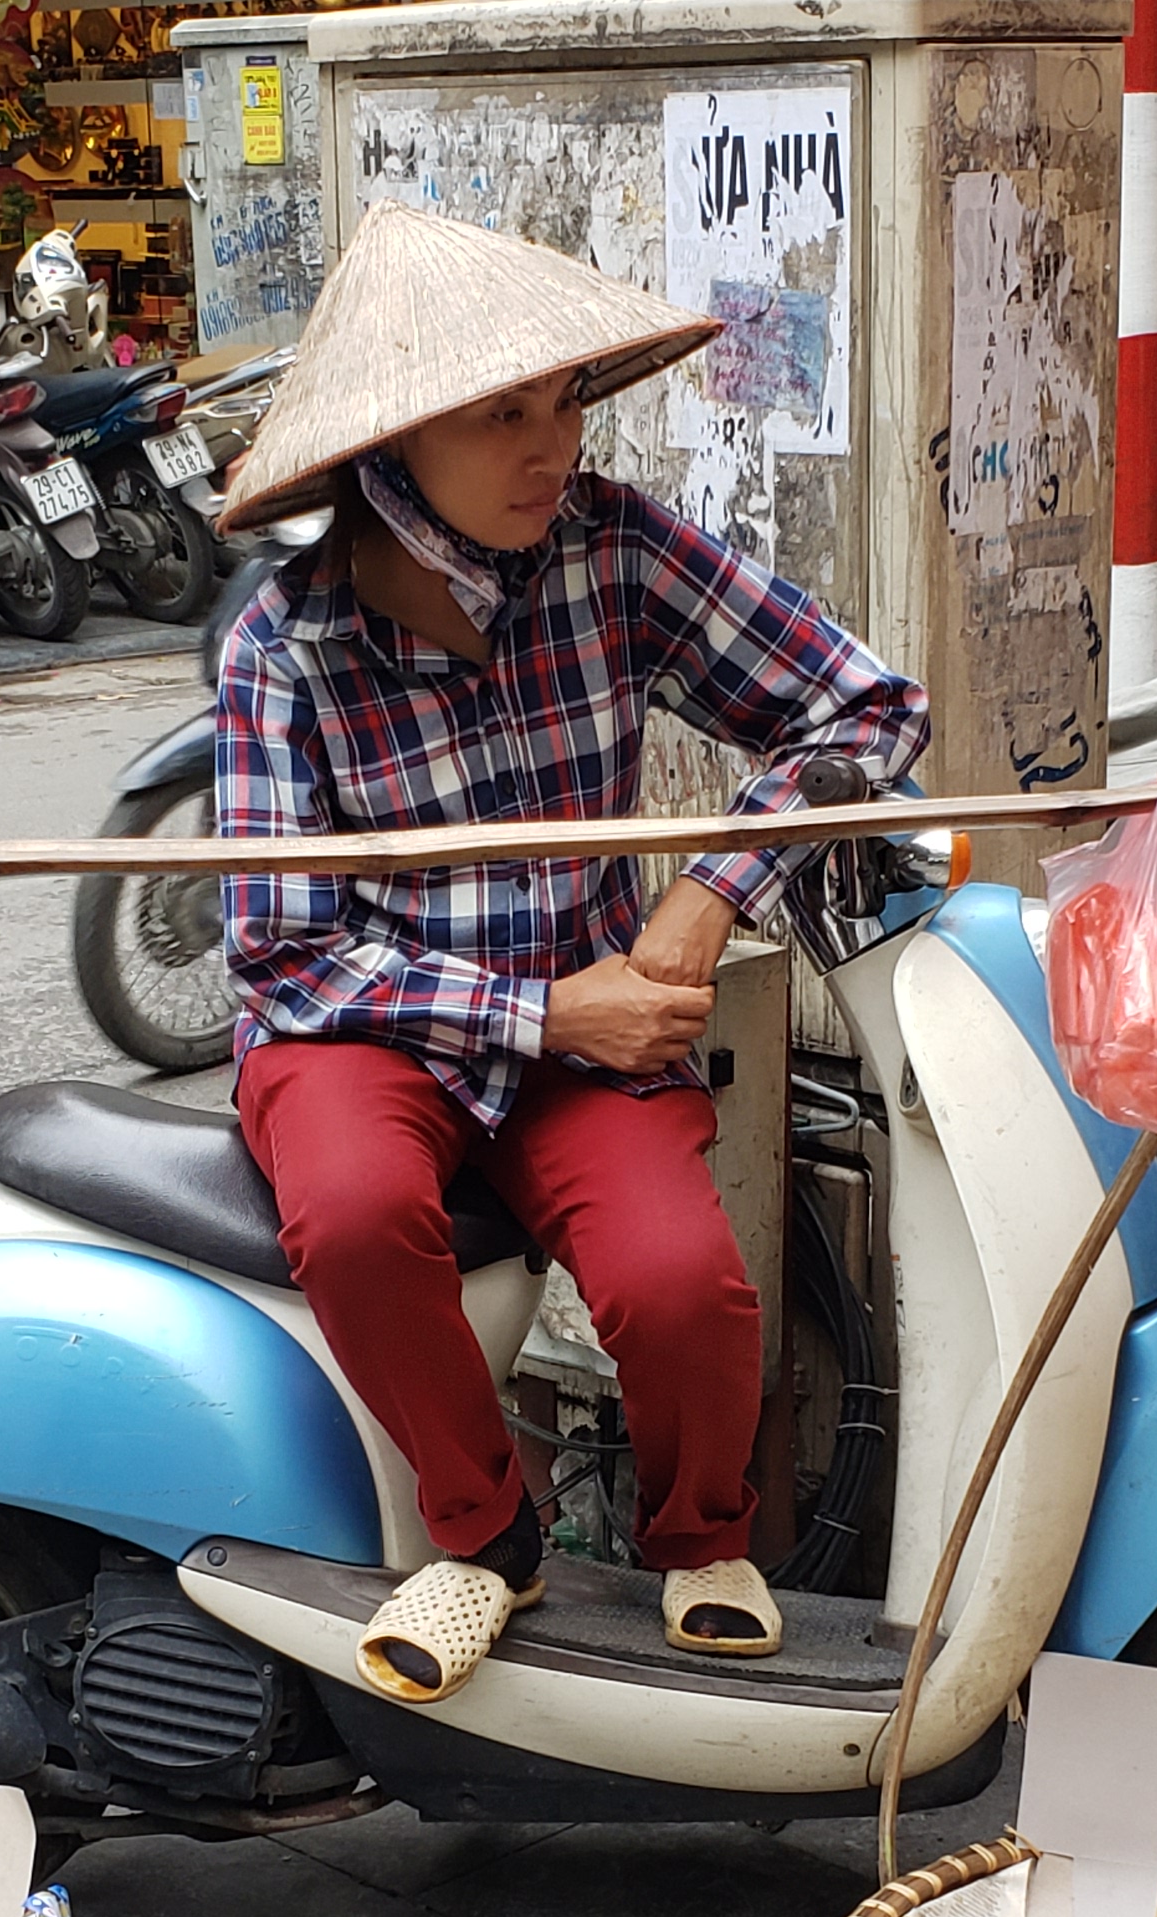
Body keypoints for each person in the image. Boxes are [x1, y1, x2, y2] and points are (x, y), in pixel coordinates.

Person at [208, 203, 929, 1707]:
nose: (554, 449)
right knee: (347, 1216)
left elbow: (864, 711)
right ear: (394, 451)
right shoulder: (285, 644)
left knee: (683, 1288)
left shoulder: (612, 552)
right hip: (370, 1031)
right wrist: (542, 1015)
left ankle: (699, 1540)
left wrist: (708, 896)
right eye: (502, 417)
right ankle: (485, 1535)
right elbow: (281, 951)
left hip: (594, 1005)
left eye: (565, 404)